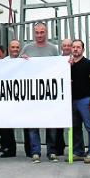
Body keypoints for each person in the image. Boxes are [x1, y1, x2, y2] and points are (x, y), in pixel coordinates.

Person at [20, 22, 60, 164]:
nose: (39, 35)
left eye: (42, 32)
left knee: (51, 124)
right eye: (37, 32)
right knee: (33, 124)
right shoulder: (27, 48)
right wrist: (22, 60)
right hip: (32, 93)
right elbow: (18, 68)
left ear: (46, 32)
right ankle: (35, 152)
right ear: (33, 33)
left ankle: (52, 152)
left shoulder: (53, 49)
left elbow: (59, 68)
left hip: (49, 93)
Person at [69, 40, 90, 164]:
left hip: (85, 100)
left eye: (78, 47)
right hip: (72, 101)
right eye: (74, 47)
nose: (75, 49)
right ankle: (78, 152)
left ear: (83, 50)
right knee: (76, 127)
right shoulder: (68, 65)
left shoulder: (89, 64)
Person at [0, 40, 17, 158]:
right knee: (0, 124)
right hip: (0, 98)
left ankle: (11, 149)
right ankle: (4, 145)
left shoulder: (9, 62)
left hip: (11, 98)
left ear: (4, 54)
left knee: (7, 125)